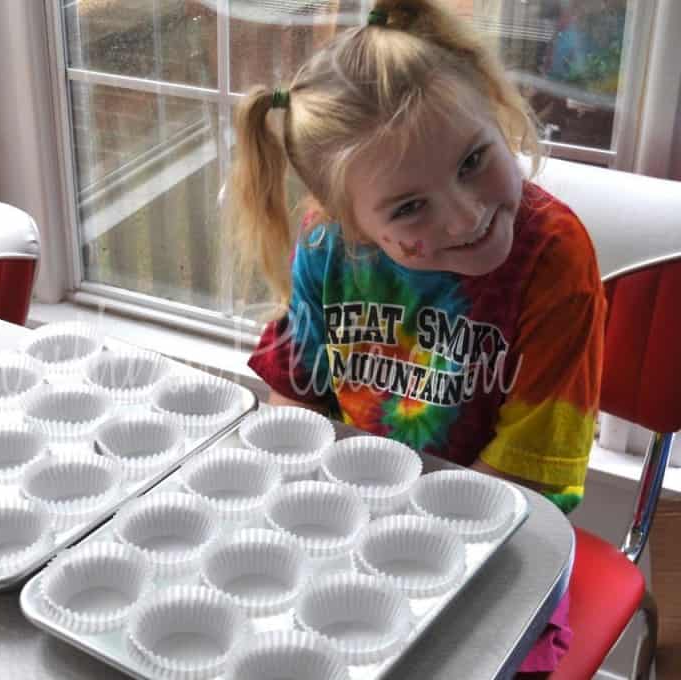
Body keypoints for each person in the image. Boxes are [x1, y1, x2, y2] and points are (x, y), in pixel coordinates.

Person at [229, 0, 605, 675]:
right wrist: (333, 530)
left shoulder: (553, 258)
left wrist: (397, 553)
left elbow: (530, 478)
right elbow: (296, 399)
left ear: (496, 114)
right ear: (354, 226)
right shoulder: (324, 249)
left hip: (499, 549)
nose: (466, 215)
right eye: (407, 207)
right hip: (351, 532)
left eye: (472, 160)